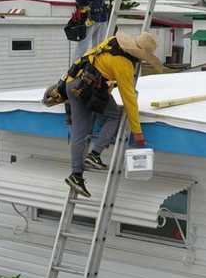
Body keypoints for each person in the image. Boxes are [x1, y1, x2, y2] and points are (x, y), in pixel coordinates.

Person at [65, 31, 163, 197]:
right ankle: (94, 155)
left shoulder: (112, 41)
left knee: (79, 133)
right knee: (114, 116)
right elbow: (129, 100)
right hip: (89, 90)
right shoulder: (124, 64)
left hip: (73, 83)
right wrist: (137, 131)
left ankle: (76, 174)